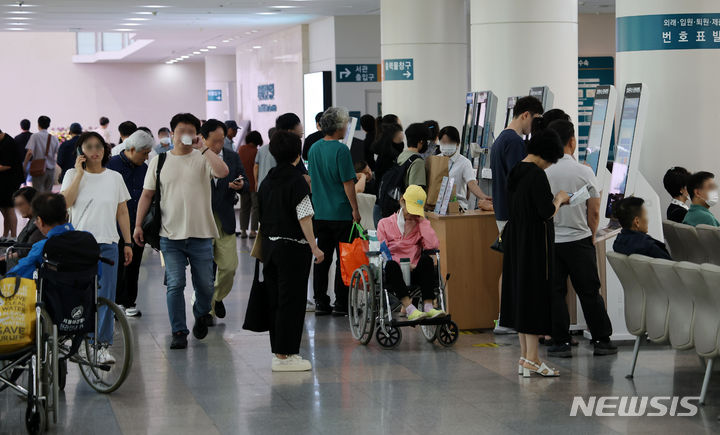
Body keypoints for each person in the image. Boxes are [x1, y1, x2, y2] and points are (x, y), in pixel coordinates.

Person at [134, 113, 229, 350]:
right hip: (169, 236)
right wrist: (137, 225)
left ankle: (200, 313)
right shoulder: (160, 161)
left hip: (201, 234)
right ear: (172, 133)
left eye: (190, 131)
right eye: (180, 131)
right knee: (175, 284)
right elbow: (147, 195)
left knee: (206, 286)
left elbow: (223, 172)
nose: (184, 135)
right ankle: (178, 330)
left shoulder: (204, 157)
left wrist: (205, 148)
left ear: (196, 134)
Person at [544, 119, 616, 358]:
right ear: (572, 141)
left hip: (552, 241)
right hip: (579, 240)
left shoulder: (544, 171)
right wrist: (592, 233)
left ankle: (560, 342)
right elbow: (594, 209)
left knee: (555, 292)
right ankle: (601, 340)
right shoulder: (584, 171)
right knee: (589, 291)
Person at [500, 128, 568, 377]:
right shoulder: (537, 175)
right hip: (535, 245)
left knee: (521, 297)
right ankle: (532, 359)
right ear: (547, 154)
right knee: (534, 299)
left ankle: (526, 358)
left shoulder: (516, 170)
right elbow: (545, 211)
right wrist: (559, 199)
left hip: (517, 241)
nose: (550, 165)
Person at [60, 131, 133, 364]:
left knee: (106, 296)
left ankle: (101, 345)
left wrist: (127, 242)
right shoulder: (72, 174)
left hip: (108, 243)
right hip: (79, 245)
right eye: (89, 146)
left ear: (105, 150)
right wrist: (79, 174)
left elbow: (122, 211)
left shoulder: (114, 177)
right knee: (81, 295)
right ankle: (80, 342)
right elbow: (65, 203)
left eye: (98, 146)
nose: (95, 150)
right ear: (81, 151)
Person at [258, 130, 324, 372]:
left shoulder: (268, 180)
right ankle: (287, 355)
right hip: (293, 249)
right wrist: (315, 247)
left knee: (276, 300)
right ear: (298, 153)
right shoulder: (297, 181)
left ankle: (279, 353)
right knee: (292, 302)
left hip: (271, 247)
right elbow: (304, 215)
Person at [489, 96, 544, 335]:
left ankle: (505, 318)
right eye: (535, 120)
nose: (535, 126)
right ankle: (508, 319)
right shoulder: (514, 142)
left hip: (503, 211)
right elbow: (520, 178)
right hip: (513, 214)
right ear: (525, 115)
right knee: (515, 269)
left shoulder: (501, 138)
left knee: (509, 267)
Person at [308, 107, 360, 316]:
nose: (346, 127)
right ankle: (341, 303)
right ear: (338, 127)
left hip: (320, 212)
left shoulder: (313, 149)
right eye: (345, 124)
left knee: (322, 257)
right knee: (344, 258)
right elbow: (348, 183)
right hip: (341, 213)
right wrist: (355, 209)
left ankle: (320, 301)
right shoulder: (341, 150)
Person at [377, 185, 444, 321]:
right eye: (411, 209)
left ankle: (428, 306)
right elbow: (384, 252)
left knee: (427, 261)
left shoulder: (419, 225)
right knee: (390, 265)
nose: (412, 214)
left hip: (414, 272)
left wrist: (423, 221)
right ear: (402, 201)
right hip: (394, 272)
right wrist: (403, 265)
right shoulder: (384, 224)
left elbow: (433, 245)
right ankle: (409, 308)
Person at [202, 119, 246, 320]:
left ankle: (216, 298)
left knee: (229, 267)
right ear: (203, 139)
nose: (219, 145)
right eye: (215, 141)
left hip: (225, 219)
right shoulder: (195, 158)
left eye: (222, 141)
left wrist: (240, 185)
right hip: (201, 219)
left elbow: (244, 181)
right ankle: (207, 308)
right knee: (205, 270)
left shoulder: (232, 156)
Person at [106, 130, 153, 318]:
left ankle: (129, 301)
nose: (147, 156)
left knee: (134, 265)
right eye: (145, 153)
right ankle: (115, 302)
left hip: (137, 225)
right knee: (117, 265)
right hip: (115, 226)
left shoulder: (144, 169)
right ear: (132, 149)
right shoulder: (111, 166)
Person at [5, 193, 74, 279]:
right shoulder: (88, 239)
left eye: (36, 219)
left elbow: (16, 275)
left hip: (51, 291)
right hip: (87, 291)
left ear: (40, 221)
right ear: (66, 215)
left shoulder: (42, 247)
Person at [437, 126, 492, 210]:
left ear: (457, 144)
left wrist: (483, 196)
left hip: (456, 207)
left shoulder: (464, 163)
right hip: (436, 206)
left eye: (450, 143)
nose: (446, 145)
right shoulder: (435, 160)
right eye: (444, 143)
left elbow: (471, 183)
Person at [0, 187, 42, 275]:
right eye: (17, 205)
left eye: (21, 204)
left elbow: (26, 251)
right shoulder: (32, 221)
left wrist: (4, 257)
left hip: (22, 266)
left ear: (32, 203)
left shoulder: (39, 224)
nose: (18, 208)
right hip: (16, 258)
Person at [22, 115, 60, 194]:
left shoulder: (35, 136)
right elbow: (57, 154)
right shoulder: (54, 138)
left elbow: (29, 152)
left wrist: (24, 165)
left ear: (38, 124)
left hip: (38, 169)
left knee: (38, 192)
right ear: (48, 125)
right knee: (48, 193)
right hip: (51, 169)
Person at [238, 130, 262, 238]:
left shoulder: (241, 149)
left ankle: (243, 231)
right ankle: (253, 231)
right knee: (255, 208)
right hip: (254, 184)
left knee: (244, 208)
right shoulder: (256, 152)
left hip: (243, 183)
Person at [397, 123, 430, 190]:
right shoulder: (417, 161)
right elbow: (416, 192)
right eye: (426, 141)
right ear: (421, 141)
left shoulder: (402, 155)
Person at [0, 128, 20, 236]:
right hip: (4, 182)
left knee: (10, 209)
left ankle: (13, 236)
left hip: (10, 182)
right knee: (4, 210)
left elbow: (7, 165)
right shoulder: (4, 141)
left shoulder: (8, 143)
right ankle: (5, 235)